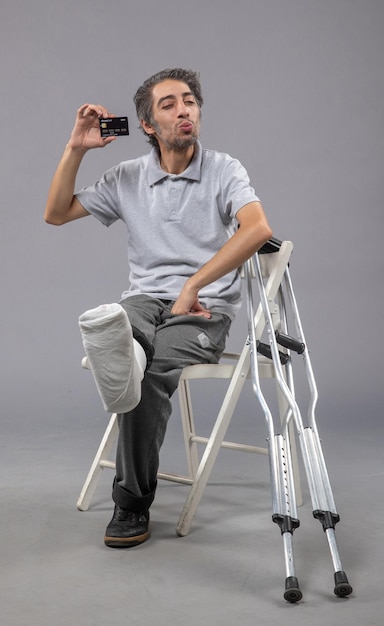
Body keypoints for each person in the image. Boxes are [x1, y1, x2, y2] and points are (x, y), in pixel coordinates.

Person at [44, 68, 273, 549]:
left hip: (204, 311)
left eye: (189, 101)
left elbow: (256, 231)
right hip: (143, 302)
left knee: (143, 374)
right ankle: (119, 343)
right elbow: (57, 213)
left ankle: (130, 504)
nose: (183, 110)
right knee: (124, 328)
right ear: (148, 124)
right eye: (168, 104)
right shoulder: (128, 177)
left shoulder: (225, 169)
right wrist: (77, 148)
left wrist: (194, 284)